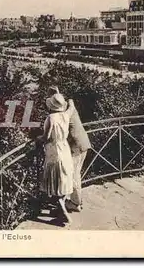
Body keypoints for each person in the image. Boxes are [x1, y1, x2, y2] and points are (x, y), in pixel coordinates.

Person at [47, 86, 91, 213]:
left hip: (77, 145)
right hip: (82, 142)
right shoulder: (69, 107)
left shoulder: (62, 113)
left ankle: (75, 203)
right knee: (73, 173)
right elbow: (71, 103)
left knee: (73, 174)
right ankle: (74, 200)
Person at [37, 93, 76, 224]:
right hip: (65, 148)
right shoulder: (66, 114)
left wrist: (37, 139)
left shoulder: (51, 118)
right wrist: (69, 99)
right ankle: (61, 209)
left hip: (54, 150)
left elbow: (46, 136)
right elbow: (71, 106)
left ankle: (64, 213)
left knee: (55, 182)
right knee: (63, 179)